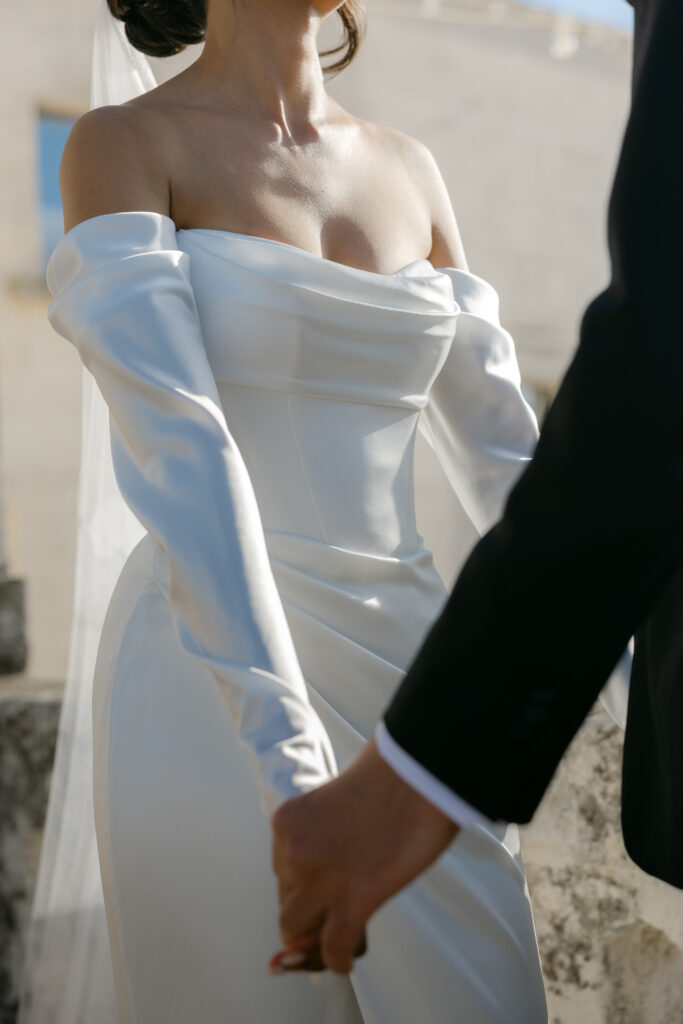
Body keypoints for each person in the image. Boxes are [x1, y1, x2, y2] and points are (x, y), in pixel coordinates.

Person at [23, 0, 558, 1020]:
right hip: (206, 684)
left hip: (413, 691)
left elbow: (512, 472)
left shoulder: (410, 168)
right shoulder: (122, 145)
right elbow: (186, 452)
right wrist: (289, 765)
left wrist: (635, 680)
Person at [272, 0, 683, 980]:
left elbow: (654, 349)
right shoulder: (120, 147)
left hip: (405, 637)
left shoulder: (408, 167)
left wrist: (425, 767)